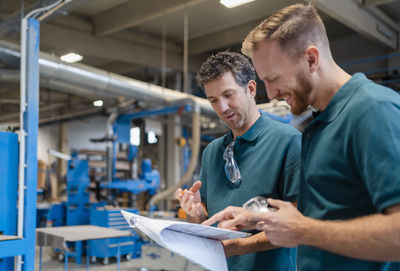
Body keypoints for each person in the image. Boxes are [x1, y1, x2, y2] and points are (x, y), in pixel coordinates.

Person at [203, 3, 400, 271]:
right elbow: (329, 215)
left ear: (311, 59)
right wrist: (258, 217)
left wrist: (303, 230)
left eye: (274, 78)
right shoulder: (319, 125)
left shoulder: (371, 110)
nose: (270, 94)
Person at [174, 51, 301, 271]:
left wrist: (237, 247)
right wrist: (196, 213)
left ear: (251, 89)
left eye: (228, 95)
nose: (222, 108)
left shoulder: (288, 142)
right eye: (213, 100)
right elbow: (208, 221)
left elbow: (299, 224)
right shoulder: (213, 151)